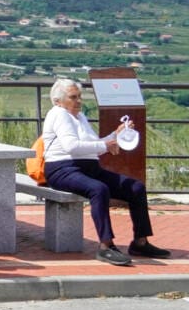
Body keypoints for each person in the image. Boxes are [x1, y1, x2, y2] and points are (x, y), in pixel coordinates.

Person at [42, 79, 169, 265]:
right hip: (63, 169)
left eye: (79, 97)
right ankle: (106, 246)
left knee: (136, 187)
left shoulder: (80, 116)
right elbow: (71, 147)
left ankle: (140, 241)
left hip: (89, 168)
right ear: (58, 101)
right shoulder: (59, 114)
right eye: (73, 97)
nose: (78, 101)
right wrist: (106, 145)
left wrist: (115, 136)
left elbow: (94, 146)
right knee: (98, 189)